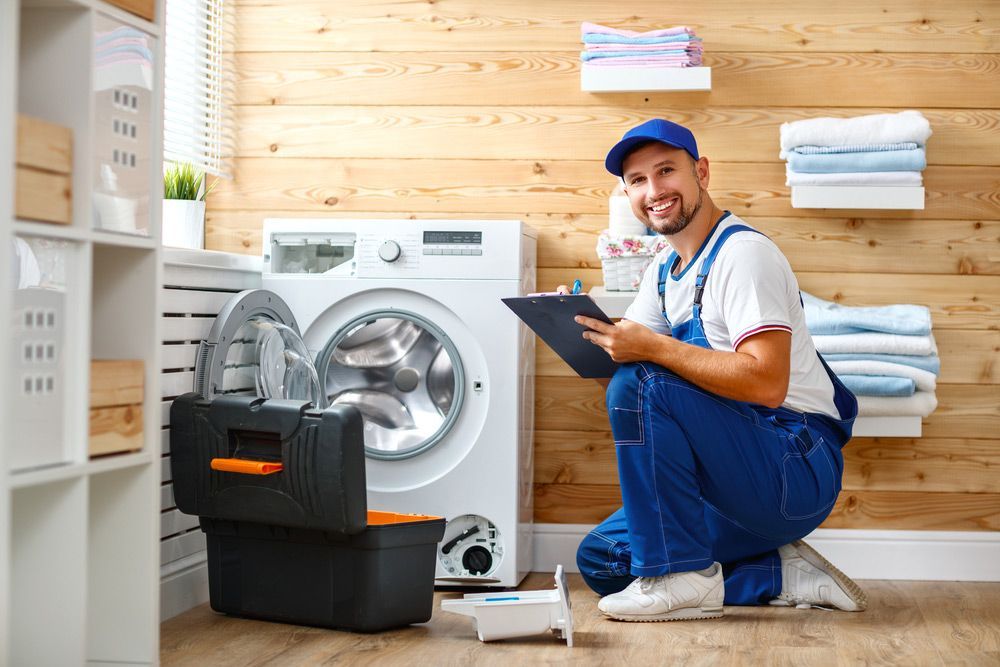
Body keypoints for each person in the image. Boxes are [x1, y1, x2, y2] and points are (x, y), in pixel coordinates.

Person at [566, 118, 866, 622]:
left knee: (642, 380)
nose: (654, 190)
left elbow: (767, 384)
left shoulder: (744, 255)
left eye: (666, 171)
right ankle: (775, 572)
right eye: (638, 180)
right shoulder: (663, 268)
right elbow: (630, 390)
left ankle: (685, 579)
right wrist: (584, 333)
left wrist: (649, 351)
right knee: (604, 559)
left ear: (700, 172)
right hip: (726, 480)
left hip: (792, 467)